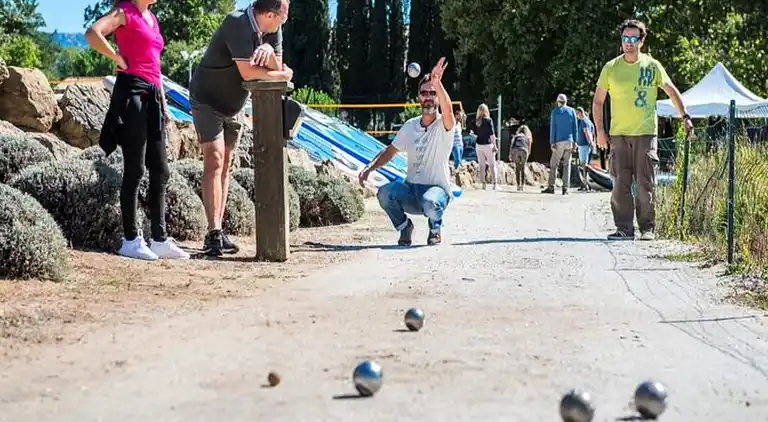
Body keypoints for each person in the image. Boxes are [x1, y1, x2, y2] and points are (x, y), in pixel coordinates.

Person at [189, 0, 294, 256]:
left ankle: (218, 231)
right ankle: (213, 233)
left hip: (235, 105)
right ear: (269, 14)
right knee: (214, 159)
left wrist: (269, 53)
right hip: (207, 99)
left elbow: (276, 65)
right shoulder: (236, 22)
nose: (284, 21)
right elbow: (250, 73)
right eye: (283, 16)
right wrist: (284, 74)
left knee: (226, 163)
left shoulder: (274, 31)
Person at [88, 0, 189, 261]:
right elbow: (92, 33)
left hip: (153, 94)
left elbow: (155, 66)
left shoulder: (152, 18)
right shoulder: (124, 12)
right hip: (131, 91)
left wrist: (164, 105)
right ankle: (131, 240)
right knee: (135, 169)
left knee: (161, 169)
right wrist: (116, 57)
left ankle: (159, 239)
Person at [592, 18, 693, 241]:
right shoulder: (611, 68)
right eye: (625, 38)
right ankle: (624, 229)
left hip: (646, 134)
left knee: (645, 183)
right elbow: (598, 102)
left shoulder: (652, 66)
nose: (628, 43)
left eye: (633, 39)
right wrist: (600, 131)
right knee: (620, 184)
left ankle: (647, 228)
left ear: (641, 41)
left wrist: (685, 116)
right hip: (618, 135)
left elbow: (671, 91)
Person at [358, 58, 455, 246]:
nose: (428, 97)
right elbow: (390, 151)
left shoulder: (444, 125)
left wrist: (437, 83)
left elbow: (448, 111)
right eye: (424, 93)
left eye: (433, 93)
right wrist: (370, 168)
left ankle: (435, 228)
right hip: (411, 190)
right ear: (419, 97)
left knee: (430, 202)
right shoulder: (410, 126)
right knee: (385, 193)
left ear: (438, 96)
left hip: (436, 191)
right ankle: (405, 228)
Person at [473, 103, 497, 190]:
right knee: (492, 165)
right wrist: (495, 145)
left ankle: (483, 184)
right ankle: (494, 184)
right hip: (488, 145)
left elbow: (473, 133)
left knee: (482, 165)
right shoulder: (489, 120)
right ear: (486, 110)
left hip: (479, 145)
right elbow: (492, 135)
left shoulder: (476, 121)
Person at [575, 107, 596, 192]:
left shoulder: (584, 121)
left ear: (580, 113)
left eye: (577, 114)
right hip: (584, 145)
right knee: (584, 164)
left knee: (584, 165)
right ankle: (585, 184)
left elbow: (587, 133)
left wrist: (590, 143)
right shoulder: (588, 121)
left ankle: (586, 185)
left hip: (584, 146)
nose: (576, 116)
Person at [508, 125, 533, 191]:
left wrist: (510, 154)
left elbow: (512, 144)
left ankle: (518, 185)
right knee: (523, 167)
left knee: (517, 168)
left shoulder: (516, 136)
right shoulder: (528, 137)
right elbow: (529, 148)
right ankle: (522, 185)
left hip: (516, 150)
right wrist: (527, 154)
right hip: (524, 150)